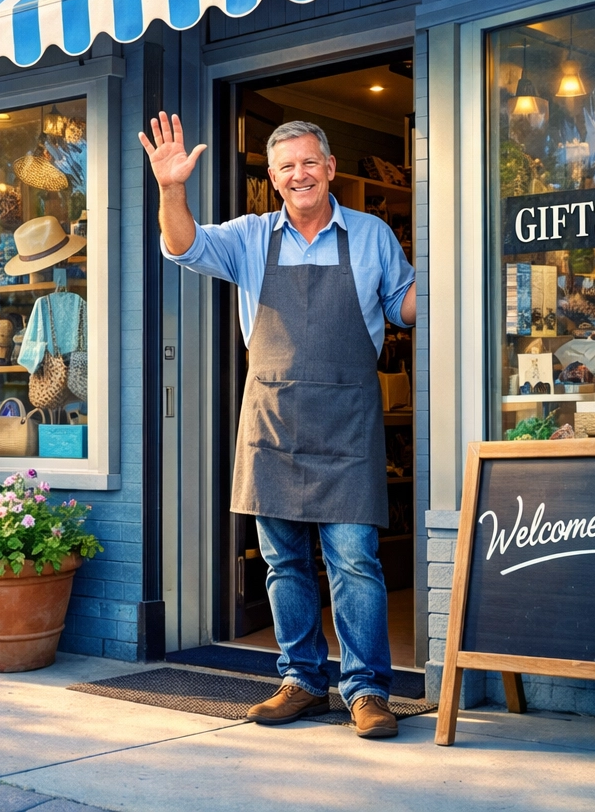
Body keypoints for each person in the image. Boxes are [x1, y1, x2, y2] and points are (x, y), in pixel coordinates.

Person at [141, 113, 416, 740]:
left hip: (348, 421)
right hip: (271, 420)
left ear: (330, 168)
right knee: (283, 561)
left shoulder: (371, 234)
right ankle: (302, 682)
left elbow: (401, 306)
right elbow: (182, 246)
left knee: (355, 560)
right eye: (287, 166)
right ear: (272, 177)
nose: (300, 174)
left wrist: (445, 269)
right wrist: (171, 188)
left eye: (310, 162)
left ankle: (368, 690)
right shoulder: (248, 236)